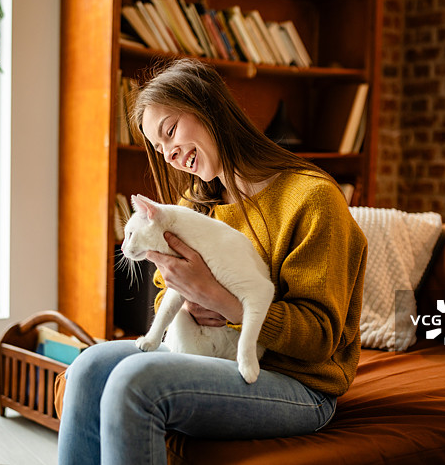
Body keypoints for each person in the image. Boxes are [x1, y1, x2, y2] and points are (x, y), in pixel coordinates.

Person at [58, 58, 367, 465]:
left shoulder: (311, 199)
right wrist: (187, 299)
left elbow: (319, 338)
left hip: (300, 383)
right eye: (159, 147)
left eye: (170, 131)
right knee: (89, 366)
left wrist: (220, 300)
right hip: (211, 355)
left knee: (135, 382)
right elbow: (162, 295)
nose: (169, 154)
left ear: (207, 107)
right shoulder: (197, 205)